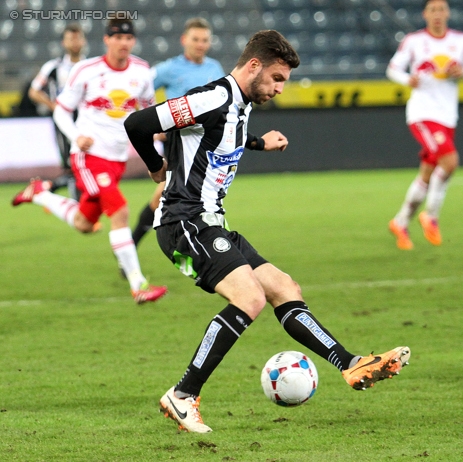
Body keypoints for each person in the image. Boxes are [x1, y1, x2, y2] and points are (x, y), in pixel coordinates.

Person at [124, 30, 411, 433]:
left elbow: (220, 137)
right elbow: (138, 122)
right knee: (250, 297)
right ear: (254, 66)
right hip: (183, 223)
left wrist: (260, 143)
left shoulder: (239, 106)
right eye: (277, 78)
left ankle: (349, 364)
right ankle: (183, 395)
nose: (279, 88)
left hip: (211, 222)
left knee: (283, 286)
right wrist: (157, 168)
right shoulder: (213, 97)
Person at [11, 18, 167, 305]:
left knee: (84, 222)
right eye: (118, 38)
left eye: (129, 39)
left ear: (133, 42)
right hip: (88, 156)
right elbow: (61, 111)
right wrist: (75, 135)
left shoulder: (142, 72)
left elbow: (147, 116)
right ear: (106, 40)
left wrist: (154, 151)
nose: (124, 43)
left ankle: (40, 194)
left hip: (116, 159)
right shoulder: (87, 71)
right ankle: (138, 284)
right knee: (119, 211)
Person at [386, 0, 463, 250]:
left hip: (448, 115)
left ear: (448, 13)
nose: (437, 14)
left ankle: (400, 222)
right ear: (425, 14)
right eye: (433, 10)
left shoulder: (460, 40)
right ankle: (431, 215)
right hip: (422, 113)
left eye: (441, 9)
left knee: (426, 175)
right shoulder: (414, 40)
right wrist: (409, 79)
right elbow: (393, 69)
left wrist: (462, 73)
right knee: (450, 162)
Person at [131, 17, 225, 248]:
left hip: (207, 144)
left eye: (204, 40)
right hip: (179, 142)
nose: (200, 44)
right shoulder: (169, 68)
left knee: (188, 194)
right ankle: (132, 246)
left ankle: (134, 246)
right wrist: (154, 126)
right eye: (196, 39)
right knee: (166, 194)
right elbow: (138, 92)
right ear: (185, 40)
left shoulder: (215, 68)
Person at [28, 23, 86, 200]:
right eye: (70, 39)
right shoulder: (54, 67)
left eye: (77, 38)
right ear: (63, 43)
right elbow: (34, 91)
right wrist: (53, 106)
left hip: (88, 120)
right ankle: (77, 204)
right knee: (71, 165)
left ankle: (45, 188)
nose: (74, 43)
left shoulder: (90, 66)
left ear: (83, 41)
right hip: (64, 121)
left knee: (87, 162)